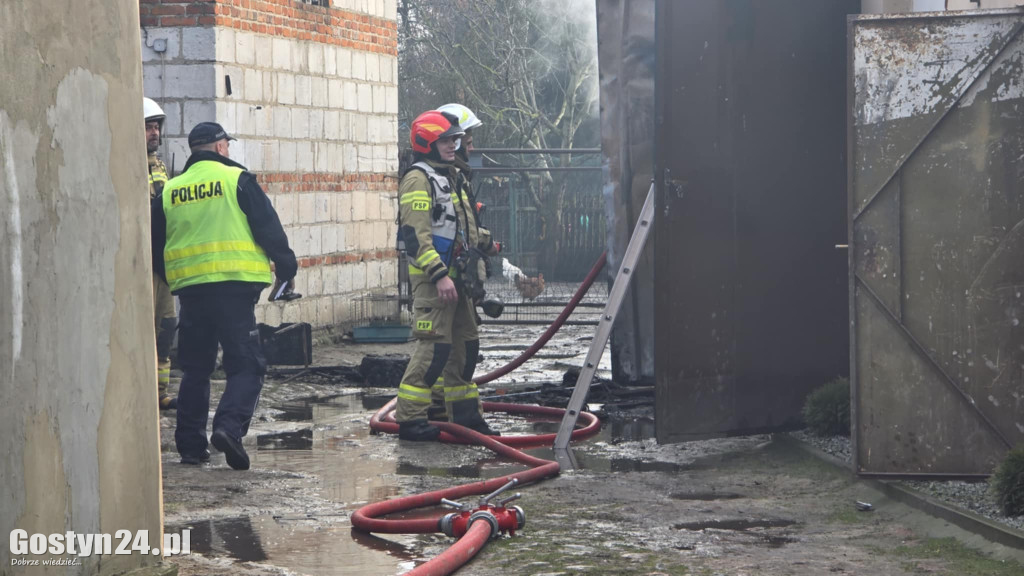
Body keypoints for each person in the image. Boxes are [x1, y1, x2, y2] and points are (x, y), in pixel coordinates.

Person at [151, 122, 297, 469]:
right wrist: (286, 267)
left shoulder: (171, 190)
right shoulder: (237, 180)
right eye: (226, 146)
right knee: (246, 364)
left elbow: (156, 243)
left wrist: (174, 276)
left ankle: (190, 446)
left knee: (196, 369)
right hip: (234, 288)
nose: (228, 151)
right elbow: (268, 226)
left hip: (191, 291)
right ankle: (228, 429)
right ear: (219, 147)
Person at [394, 110, 500, 441]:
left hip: (460, 282)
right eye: (446, 140)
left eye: (455, 139)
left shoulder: (452, 176)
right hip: (435, 282)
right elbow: (415, 237)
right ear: (427, 142)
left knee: (466, 349)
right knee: (434, 351)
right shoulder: (417, 179)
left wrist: (487, 244)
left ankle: (466, 418)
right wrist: (439, 275)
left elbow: (462, 228)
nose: (454, 145)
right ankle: (410, 420)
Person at [144, 97, 178, 410]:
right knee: (145, 329)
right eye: (148, 128)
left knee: (166, 327)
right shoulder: (131, 166)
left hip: (162, 263)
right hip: (143, 265)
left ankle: (159, 393)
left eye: (156, 127)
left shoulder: (160, 164)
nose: (154, 133)